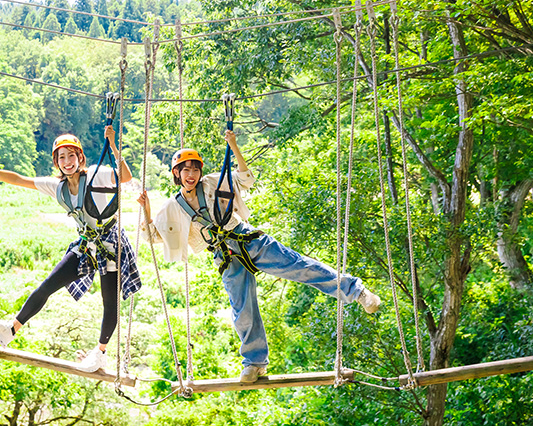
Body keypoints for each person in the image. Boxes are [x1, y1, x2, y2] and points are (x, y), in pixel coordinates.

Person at [137, 130, 381, 383]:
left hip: (248, 239)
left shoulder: (212, 182)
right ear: (176, 174)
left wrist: (233, 145)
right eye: (185, 170)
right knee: (242, 309)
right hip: (226, 256)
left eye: (194, 170)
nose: (191, 175)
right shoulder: (172, 207)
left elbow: (245, 179)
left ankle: (357, 292)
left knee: (300, 267)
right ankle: (254, 362)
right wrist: (146, 209)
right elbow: (153, 235)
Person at [0, 126, 141, 372]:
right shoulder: (57, 187)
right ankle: (10, 329)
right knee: (46, 286)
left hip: (110, 245)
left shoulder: (98, 175)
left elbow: (126, 177)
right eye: (62, 157)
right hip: (86, 246)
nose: (67, 162)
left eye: (71, 155)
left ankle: (100, 353)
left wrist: (112, 143)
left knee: (109, 302)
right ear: (56, 162)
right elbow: (18, 179)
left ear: (80, 158)